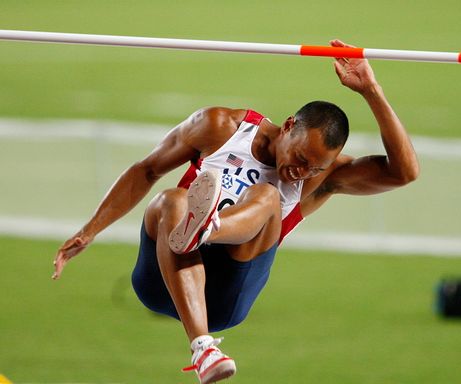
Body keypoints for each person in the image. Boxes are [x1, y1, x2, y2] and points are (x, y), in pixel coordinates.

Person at [52, 39, 419, 384]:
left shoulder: (320, 179)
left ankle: (206, 229)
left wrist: (372, 90)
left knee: (269, 196)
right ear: (289, 125)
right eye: (300, 158)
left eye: (314, 168)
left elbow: (404, 173)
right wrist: (90, 230)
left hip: (226, 297)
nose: (300, 172)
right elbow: (146, 170)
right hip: (165, 276)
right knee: (170, 200)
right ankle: (203, 345)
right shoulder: (220, 127)